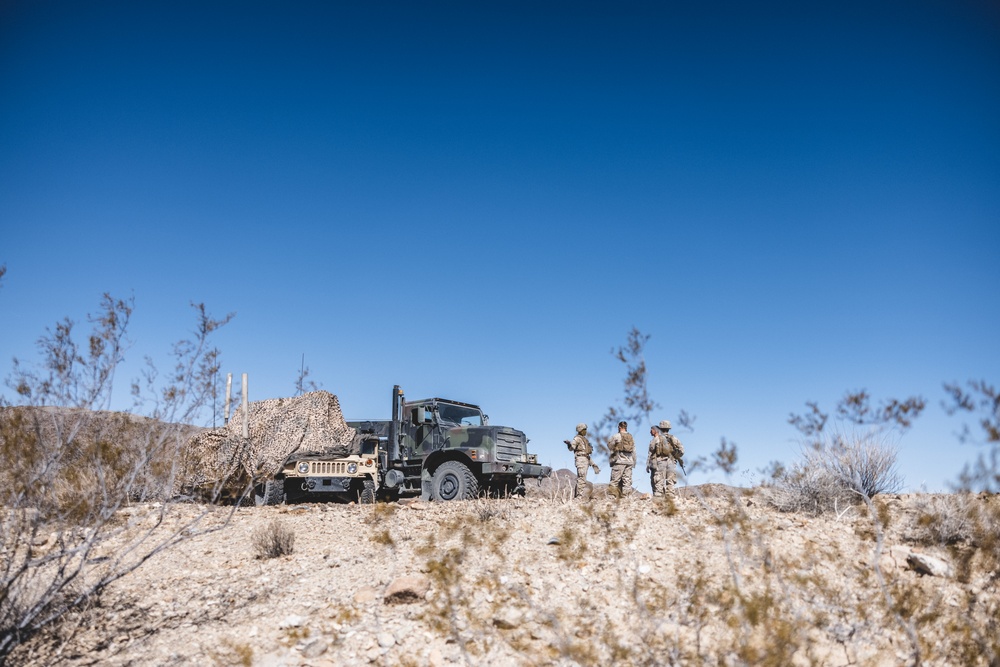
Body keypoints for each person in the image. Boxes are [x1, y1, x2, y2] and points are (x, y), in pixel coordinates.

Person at [647, 420, 684, 499]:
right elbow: (682, 450)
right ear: (669, 428)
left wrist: (648, 464)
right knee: (670, 481)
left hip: (660, 462)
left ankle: (659, 500)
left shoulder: (657, 439)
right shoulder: (673, 438)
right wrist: (676, 455)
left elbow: (651, 452)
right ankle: (670, 499)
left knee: (659, 481)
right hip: (671, 462)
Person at [564, 423, 598, 498]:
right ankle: (578, 497)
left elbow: (586, 454)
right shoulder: (577, 439)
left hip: (586, 460)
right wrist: (569, 444)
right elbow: (571, 448)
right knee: (581, 479)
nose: (585, 431)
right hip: (581, 460)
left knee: (583, 479)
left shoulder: (585, 440)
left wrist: (593, 464)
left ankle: (579, 497)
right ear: (580, 430)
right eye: (584, 430)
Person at [607, 420, 635, 498]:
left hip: (619, 461)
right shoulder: (631, 437)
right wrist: (634, 462)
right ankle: (626, 498)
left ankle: (611, 497)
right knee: (627, 481)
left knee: (614, 480)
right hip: (629, 462)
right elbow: (634, 450)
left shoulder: (616, 436)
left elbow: (609, 445)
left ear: (619, 427)